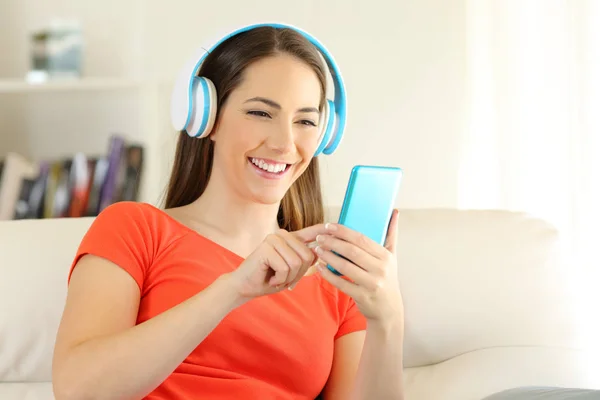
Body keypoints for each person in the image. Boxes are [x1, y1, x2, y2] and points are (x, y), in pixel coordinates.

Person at [51, 23, 406, 400]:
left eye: (304, 121)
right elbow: (78, 390)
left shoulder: (335, 279)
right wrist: (233, 289)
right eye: (260, 113)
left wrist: (388, 319)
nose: (285, 143)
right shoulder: (135, 229)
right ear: (206, 116)